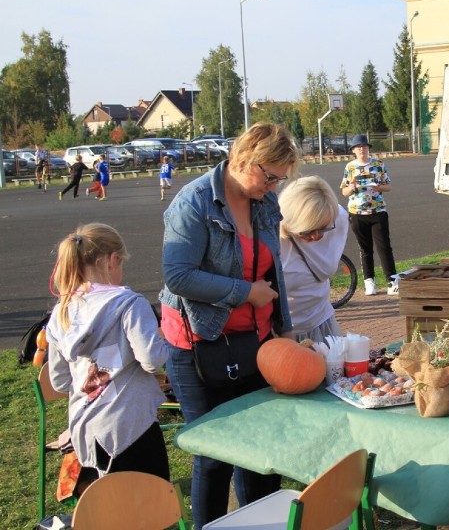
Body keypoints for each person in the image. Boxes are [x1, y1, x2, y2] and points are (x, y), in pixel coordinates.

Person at [160, 122, 299, 528]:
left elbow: (273, 275)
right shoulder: (194, 202)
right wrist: (244, 293)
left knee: (259, 445)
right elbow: (177, 276)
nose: (272, 187)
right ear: (243, 158)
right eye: (269, 176)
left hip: (252, 341)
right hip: (198, 345)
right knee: (215, 453)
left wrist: (285, 329)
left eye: (280, 179)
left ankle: (261, 523)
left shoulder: (263, 202)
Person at [45, 223, 170, 486]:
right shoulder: (130, 305)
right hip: (130, 427)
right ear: (112, 260)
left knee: (104, 509)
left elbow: (59, 381)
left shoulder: (61, 312)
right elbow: (152, 360)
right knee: (149, 510)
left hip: (85, 431)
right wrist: (168, 341)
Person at [278, 176, 349, 344]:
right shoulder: (271, 235)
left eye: (323, 229)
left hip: (322, 323)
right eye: (307, 231)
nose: (316, 236)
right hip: (283, 332)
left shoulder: (338, 219)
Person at [340, 134, 398, 296]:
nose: (362, 149)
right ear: (353, 151)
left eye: (364, 146)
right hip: (357, 213)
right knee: (365, 249)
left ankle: (392, 281)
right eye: (358, 147)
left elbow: (389, 186)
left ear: (368, 149)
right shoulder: (350, 168)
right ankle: (369, 282)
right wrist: (351, 187)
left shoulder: (379, 164)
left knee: (384, 247)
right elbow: (344, 191)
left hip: (377, 211)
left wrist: (379, 188)